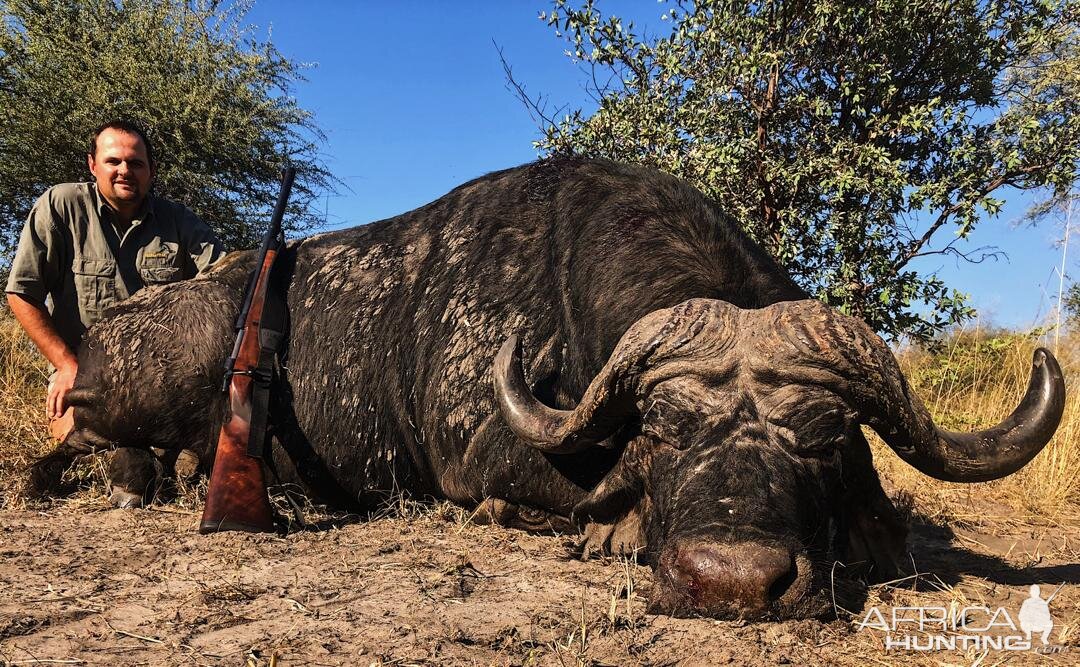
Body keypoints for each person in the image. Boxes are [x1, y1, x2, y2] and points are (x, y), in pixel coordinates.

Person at [5, 120, 225, 439]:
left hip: (161, 374)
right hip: (86, 373)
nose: (125, 170)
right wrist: (67, 366)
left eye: (136, 163)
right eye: (113, 161)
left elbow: (222, 284)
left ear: (151, 170)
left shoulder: (180, 221)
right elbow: (22, 293)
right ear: (93, 165)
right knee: (79, 441)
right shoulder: (60, 206)